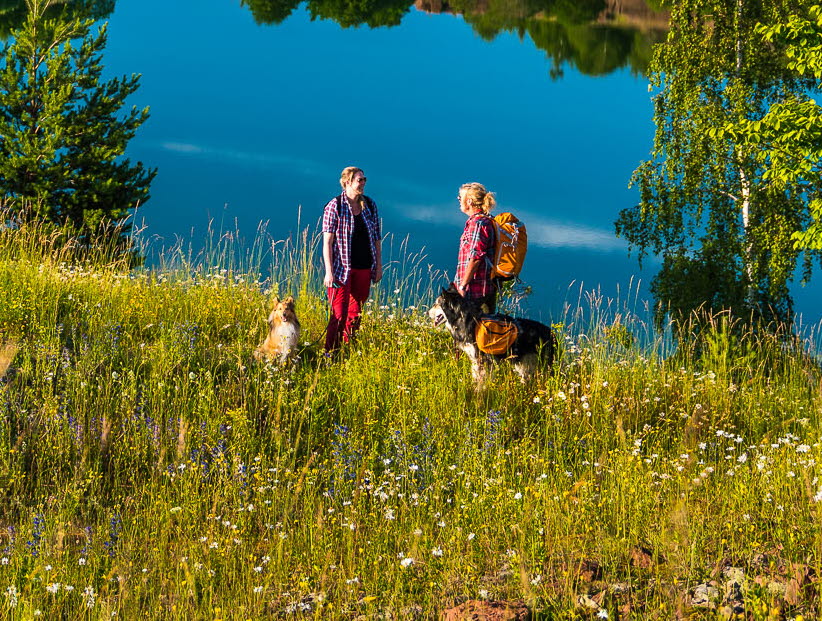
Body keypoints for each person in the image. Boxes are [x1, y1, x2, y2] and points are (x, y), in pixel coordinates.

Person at [322, 166, 383, 352]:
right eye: (359, 180)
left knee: (355, 314)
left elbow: (376, 238)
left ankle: (348, 350)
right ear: (347, 182)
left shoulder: (369, 205)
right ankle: (330, 353)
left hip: (364, 266)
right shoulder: (335, 206)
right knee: (339, 314)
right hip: (341, 270)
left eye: (364, 179)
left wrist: (378, 266)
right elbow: (327, 242)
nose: (363, 183)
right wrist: (329, 272)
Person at [454, 181, 497, 313]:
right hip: (484, 288)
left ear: (469, 201)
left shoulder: (478, 223)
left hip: (475, 290)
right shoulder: (487, 220)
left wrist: (462, 286)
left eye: (460, 198)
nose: (458, 200)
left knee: (472, 325)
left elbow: (476, 257)